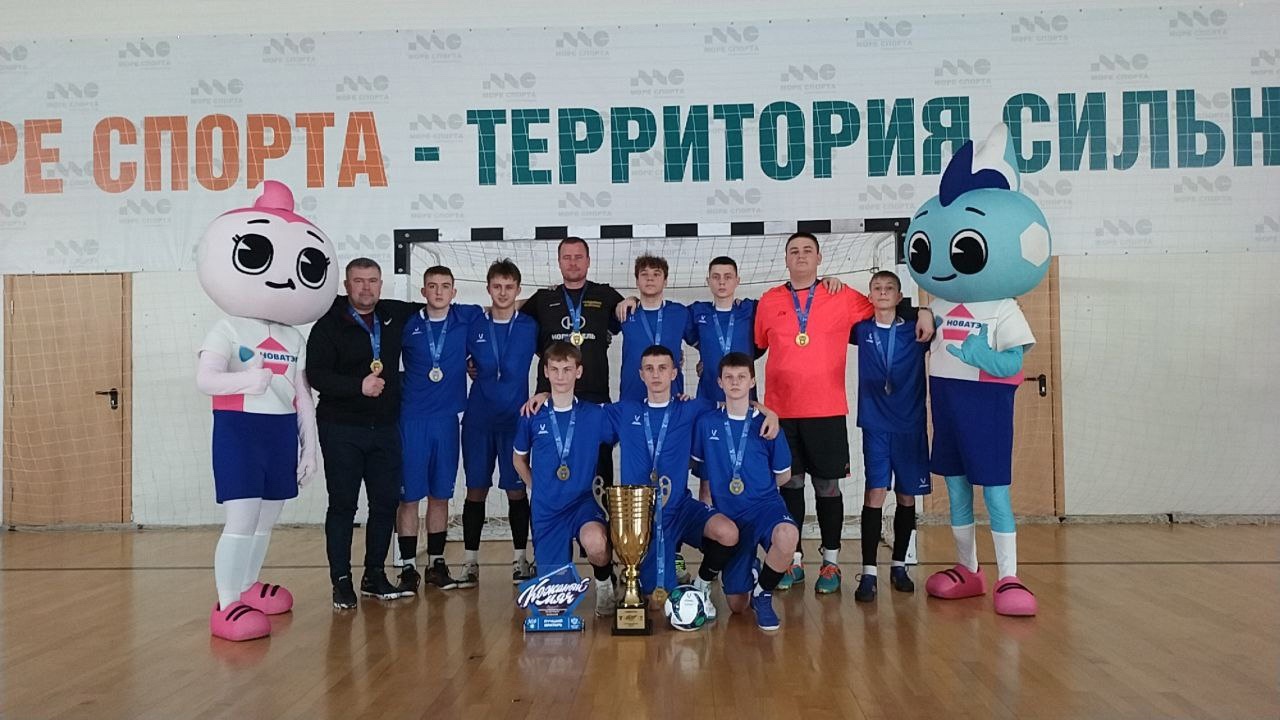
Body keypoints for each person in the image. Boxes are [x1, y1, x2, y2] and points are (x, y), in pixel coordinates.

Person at [754, 232, 933, 594]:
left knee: (827, 487)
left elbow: (887, 307)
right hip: (780, 412)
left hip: (827, 411)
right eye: (794, 251)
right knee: (790, 485)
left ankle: (831, 562)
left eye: (808, 250)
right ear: (785, 259)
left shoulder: (842, 295)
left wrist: (923, 311)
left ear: (819, 258)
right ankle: (793, 561)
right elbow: (754, 347)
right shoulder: (769, 300)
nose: (801, 256)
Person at [195, 181, 334, 640]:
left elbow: (302, 396)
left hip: (280, 435)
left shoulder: (293, 337)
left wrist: (309, 449)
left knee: (266, 520)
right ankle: (226, 603)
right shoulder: (227, 327)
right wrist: (245, 381)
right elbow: (205, 380)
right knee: (241, 519)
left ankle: (248, 585)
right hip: (238, 430)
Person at [306, 258, 419, 609]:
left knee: (384, 503)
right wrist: (359, 386)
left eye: (372, 280)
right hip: (342, 428)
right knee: (343, 505)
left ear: (381, 284)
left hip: (385, 428)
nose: (366, 287)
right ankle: (341, 581)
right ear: (347, 284)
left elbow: (437, 304)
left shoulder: (393, 314)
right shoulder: (328, 323)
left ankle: (374, 575)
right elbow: (316, 375)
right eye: (359, 281)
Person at [691, 353, 797, 631]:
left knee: (788, 536)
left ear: (752, 381)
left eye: (741, 377)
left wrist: (758, 489)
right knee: (737, 606)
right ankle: (751, 570)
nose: (735, 382)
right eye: (729, 377)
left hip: (764, 508)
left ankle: (763, 594)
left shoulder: (768, 424)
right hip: (730, 517)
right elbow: (702, 471)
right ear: (719, 382)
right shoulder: (707, 423)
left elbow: (784, 476)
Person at [512, 342, 618, 617]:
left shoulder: (596, 414)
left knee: (596, 542)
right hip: (547, 511)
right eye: (555, 369)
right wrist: (538, 488)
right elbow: (518, 460)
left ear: (578, 372)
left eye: (567, 369)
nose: (561, 376)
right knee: (552, 609)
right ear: (545, 371)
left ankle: (605, 583)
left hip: (582, 504)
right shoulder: (531, 415)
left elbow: (630, 424)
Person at [396, 266, 483, 592]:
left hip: (447, 421)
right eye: (432, 286)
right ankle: (407, 566)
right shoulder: (408, 324)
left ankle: (436, 563)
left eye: (445, 286)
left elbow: (503, 307)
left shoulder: (466, 317)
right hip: (411, 419)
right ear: (423, 291)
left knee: (440, 495)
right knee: (409, 498)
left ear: (454, 292)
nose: (438, 292)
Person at [848, 271, 931, 602]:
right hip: (875, 425)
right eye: (877, 288)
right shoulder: (861, 329)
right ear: (870, 295)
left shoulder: (916, 330)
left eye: (889, 289)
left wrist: (924, 310)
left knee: (907, 496)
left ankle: (899, 566)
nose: (883, 293)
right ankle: (868, 572)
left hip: (910, 426)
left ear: (899, 297)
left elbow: (938, 318)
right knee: (875, 493)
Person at [459, 259, 539, 587]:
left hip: (515, 422)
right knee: (475, 490)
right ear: (488, 288)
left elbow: (555, 357)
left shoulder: (530, 326)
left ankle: (520, 559)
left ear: (518, 290)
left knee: (516, 491)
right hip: (478, 421)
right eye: (497, 287)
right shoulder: (474, 323)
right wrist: (467, 362)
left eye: (509, 287)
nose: (503, 293)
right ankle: (470, 562)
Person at [519, 237, 626, 482]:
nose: (573, 262)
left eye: (578, 257)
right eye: (567, 257)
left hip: (595, 398)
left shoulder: (605, 294)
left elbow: (636, 319)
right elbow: (512, 323)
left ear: (588, 261)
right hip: (551, 396)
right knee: (556, 467)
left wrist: (632, 300)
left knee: (599, 473)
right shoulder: (543, 298)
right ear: (558, 262)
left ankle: (599, 508)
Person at [684, 256, 757, 403]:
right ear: (708, 281)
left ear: (737, 280)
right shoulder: (697, 311)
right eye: (716, 277)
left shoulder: (750, 309)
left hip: (743, 395)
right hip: (709, 394)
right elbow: (667, 317)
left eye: (728, 277)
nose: (722, 282)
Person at [616, 254, 689, 402]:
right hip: (632, 396)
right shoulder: (624, 312)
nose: (650, 279)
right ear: (637, 281)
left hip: (672, 395)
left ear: (665, 281)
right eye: (644, 274)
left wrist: (705, 362)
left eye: (656, 274)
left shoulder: (680, 312)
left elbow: (706, 340)